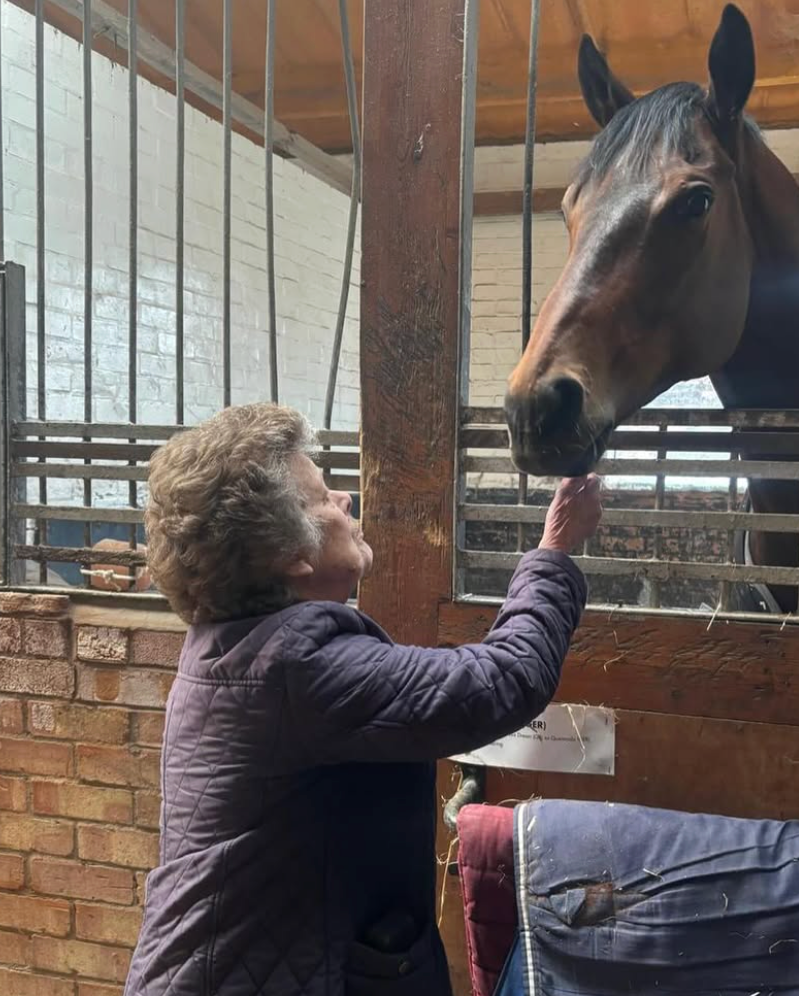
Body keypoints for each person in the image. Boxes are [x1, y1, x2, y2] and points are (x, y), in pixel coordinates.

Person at [122, 401, 602, 996]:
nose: (345, 502)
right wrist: (554, 553)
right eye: (324, 497)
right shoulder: (296, 666)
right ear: (291, 556)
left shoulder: (231, 645)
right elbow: (503, 679)